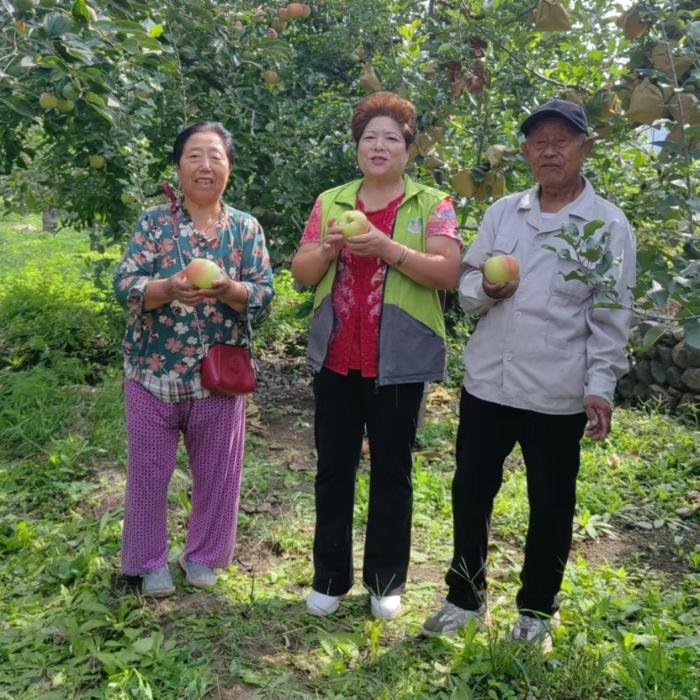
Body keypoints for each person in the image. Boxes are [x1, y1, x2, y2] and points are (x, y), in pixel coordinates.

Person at [422, 100, 636, 648]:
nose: (549, 150)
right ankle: (464, 597)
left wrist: (599, 388)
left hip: (555, 391)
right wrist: (485, 289)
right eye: (538, 141)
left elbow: (610, 318)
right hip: (488, 383)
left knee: (551, 503)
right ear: (524, 152)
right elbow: (467, 286)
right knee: (470, 492)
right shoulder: (502, 214)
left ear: (585, 148)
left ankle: (536, 612)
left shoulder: (607, 226)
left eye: (562, 139)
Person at [291, 91, 462, 620]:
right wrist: (331, 248)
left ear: (409, 148)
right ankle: (329, 578)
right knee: (332, 469)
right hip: (339, 356)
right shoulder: (332, 201)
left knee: (393, 470)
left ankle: (386, 581)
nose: (379, 145)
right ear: (358, 146)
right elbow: (301, 273)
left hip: (400, 360)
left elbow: (448, 272)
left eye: (391, 137)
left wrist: (387, 248)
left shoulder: (433, 204)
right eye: (370, 137)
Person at [113, 121, 274, 597]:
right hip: (152, 372)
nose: (205, 166)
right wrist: (166, 289)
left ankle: (202, 555)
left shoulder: (245, 229)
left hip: (219, 376)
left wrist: (232, 290)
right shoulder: (154, 224)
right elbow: (126, 284)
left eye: (215, 157)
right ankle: (147, 561)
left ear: (229, 167)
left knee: (218, 474)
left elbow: (264, 294)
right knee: (147, 473)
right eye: (194, 156)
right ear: (178, 166)